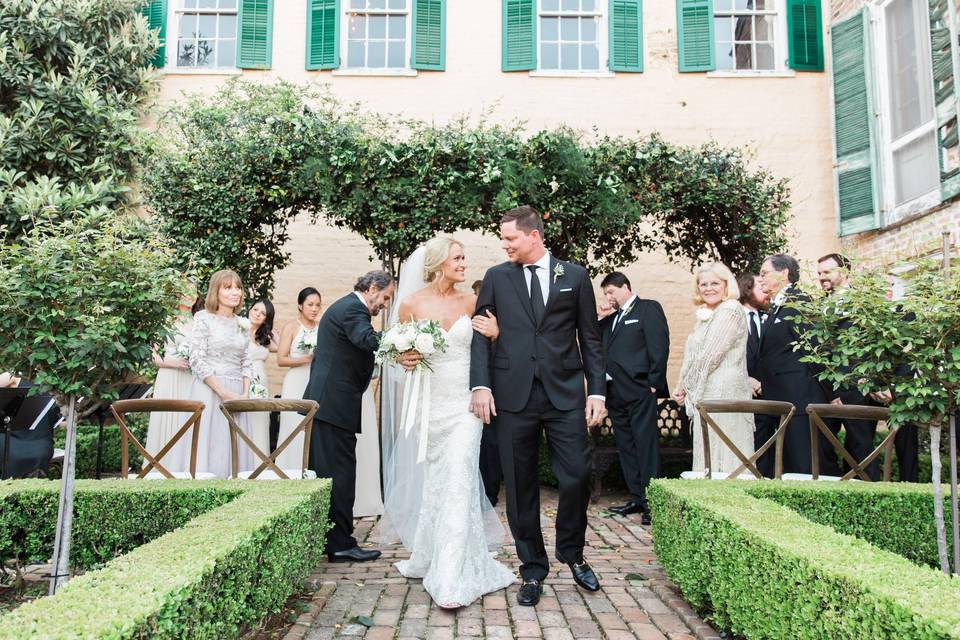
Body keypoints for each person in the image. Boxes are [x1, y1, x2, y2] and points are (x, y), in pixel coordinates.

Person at [470, 205, 606, 607]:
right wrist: (480, 384)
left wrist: (596, 391)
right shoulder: (496, 277)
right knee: (520, 486)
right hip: (513, 396)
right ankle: (532, 569)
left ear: (534, 236)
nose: (505, 244)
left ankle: (572, 551)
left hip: (564, 394)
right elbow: (481, 333)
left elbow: (591, 339)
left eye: (510, 238)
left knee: (577, 474)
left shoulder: (575, 276)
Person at [380, 237, 515, 609]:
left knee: (459, 476)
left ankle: (452, 578)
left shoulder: (472, 302)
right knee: (440, 483)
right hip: (430, 407)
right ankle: (430, 554)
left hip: (465, 406)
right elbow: (397, 357)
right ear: (439, 263)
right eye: (457, 258)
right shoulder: (410, 304)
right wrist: (403, 360)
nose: (463, 263)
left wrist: (497, 334)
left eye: (463, 258)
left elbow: (489, 350)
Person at [302, 271, 400, 564]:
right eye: (384, 298)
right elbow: (365, 338)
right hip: (334, 406)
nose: (384, 304)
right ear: (371, 288)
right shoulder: (354, 308)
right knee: (340, 477)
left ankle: (330, 539)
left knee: (329, 475)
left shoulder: (346, 306)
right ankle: (340, 544)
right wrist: (402, 339)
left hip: (330, 405)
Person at [597, 271, 669, 525]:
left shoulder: (648, 308)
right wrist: (601, 317)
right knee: (626, 446)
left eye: (611, 292)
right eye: (605, 293)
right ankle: (636, 497)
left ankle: (652, 502)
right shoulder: (612, 318)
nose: (608, 297)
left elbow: (659, 345)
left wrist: (653, 383)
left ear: (625, 287)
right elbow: (597, 342)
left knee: (645, 445)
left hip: (640, 390)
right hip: (615, 392)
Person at [757, 254, 837, 475]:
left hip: (801, 400)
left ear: (784, 273)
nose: (760, 279)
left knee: (806, 466)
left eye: (764, 273)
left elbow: (816, 351)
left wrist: (832, 393)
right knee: (789, 467)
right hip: (782, 400)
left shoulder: (800, 301)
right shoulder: (777, 306)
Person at [673, 263, 753, 475]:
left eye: (715, 283)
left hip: (725, 392)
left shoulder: (730, 309)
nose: (708, 288)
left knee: (725, 452)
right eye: (703, 284)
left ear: (726, 285)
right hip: (707, 392)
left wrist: (688, 388)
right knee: (709, 452)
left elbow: (710, 356)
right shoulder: (707, 314)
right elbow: (693, 356)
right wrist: (681, 386)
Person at [817, 252, 879, 479]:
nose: (822, 277)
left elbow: (869, 348)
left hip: (856, 389)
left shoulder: (863, 304)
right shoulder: (820, 306)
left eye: (827, 272)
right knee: (823, 447)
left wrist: (854, 386)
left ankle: (869, 496)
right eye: (819, 273)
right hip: (825, 390)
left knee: (860, 448)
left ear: (844, 272)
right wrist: (832, 392)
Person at [188, 270, 254, 478]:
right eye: (228, 287)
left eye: (238, 287)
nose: (235, 292)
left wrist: (244, 394)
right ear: (215, 291)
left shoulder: (242, 323)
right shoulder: (203, 318)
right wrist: (223, 392)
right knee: (211, 444)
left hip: (238, 393)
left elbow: (246, 360)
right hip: (210, 390)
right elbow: (196, 359)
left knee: (235, 444)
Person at [144, 292, 198, 472]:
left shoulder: (199, 322)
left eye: (194, 292)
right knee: (168, 419)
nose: (190, 296)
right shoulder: (166, 322)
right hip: (170, 377)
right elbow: (153, 356)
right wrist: (172, 363)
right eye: (185, 292)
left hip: (192, 379)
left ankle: (187, 466)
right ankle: (162, 465)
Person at [275, 287, 321, 470]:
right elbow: (281, 359)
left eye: (318, 305)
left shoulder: (321, 328)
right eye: (310, 304)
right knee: (292, 425)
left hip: (315, 381)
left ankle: (308, 469)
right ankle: (288, 468)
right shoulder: (291, 327)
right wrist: (307, 359)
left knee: (310, 427)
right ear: (300, 306)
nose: (314, 309)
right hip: (295, 381)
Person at [737, 272, 775, 477]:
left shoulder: (767, 317)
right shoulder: (733, 316)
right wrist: (745, 378)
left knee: (768, 445)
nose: (766, 291)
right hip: (742, 393)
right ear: (747, 289)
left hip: (768, 394)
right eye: (761, 287)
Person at [472, 278, 502, 506]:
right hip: (475, 387)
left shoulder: (498, 321)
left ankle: (490, 493)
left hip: (500, 386)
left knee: (491, 443)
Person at [246, 298, 279, 464]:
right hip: (244, 378)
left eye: (263, 313)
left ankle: (259, 463)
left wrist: (270, 331)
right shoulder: (239, 330)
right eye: (256, 309)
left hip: (261, 382)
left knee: (260, 420)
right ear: (249, 309)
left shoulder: (263, 339)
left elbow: (281, 347)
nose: (258, 314)